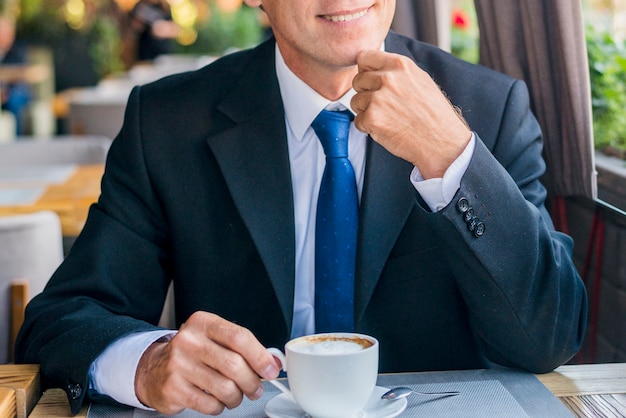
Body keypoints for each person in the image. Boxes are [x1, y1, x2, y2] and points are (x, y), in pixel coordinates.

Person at [16, 0, 587, 416]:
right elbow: (61, 320)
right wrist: (147, 363)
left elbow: (550, 337)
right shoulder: (167, 122)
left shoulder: (489, 107)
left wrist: (450, 157)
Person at [0, 15, 30, 135]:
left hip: (17, 90)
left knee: (14, 101)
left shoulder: (18, 51)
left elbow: (20, 73)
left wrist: (6, 91)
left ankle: (17, 141)